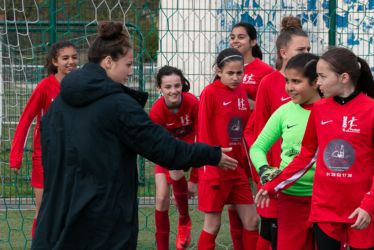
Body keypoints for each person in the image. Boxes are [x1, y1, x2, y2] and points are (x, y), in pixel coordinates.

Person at [31, 21, 238, 250]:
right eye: (128, 64)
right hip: (102, 224)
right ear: (108, 62)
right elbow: (165, 149)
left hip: (56, 221)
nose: (131, 71)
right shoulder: (118, 105)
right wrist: (211, 153)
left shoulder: (58, 105)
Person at [256, 47, 374, 250]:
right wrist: (273, 185)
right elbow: (305, 157)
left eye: (321, 76)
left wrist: (370, 204)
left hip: (360, 208)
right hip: (325, 208)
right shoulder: (320, 109)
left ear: (344, 77)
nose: (317, 82)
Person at [246, 15, 311, 250]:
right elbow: (257, 132)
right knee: (271, 231)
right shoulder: (269, 83)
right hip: (277, 177)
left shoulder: (316, 85)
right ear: (284, 53)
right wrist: (262, 172)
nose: (307, 53)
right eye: (300, 49)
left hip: (308, 178)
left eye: (309, 49)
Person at [250, 53, 320, 250]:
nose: (289, 87)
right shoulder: (284, 111)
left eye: (296, 81)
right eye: (287, 81)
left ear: (315, 82)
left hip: (324, 199)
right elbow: (257, 147)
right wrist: (264, 169)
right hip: (289, 198)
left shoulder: (329, 111)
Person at [9, 41, 78, 238]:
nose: (71, 62)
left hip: (72, 158)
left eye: (74, 57)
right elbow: (25, 119)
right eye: (65, 58)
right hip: (45, 158)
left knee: (70, 211)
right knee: (44, 211)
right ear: (55, 62)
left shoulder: (81, 86)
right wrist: (15, 156)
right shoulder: (45, 86)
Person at [197, 48, 259, 250]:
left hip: (236, 169)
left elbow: (245, 132)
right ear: (218, 71)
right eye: (230, 73)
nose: (235, 77)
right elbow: (203, 131)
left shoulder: (242, 92)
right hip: (215, 168)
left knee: (251, 221)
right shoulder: (210, 93)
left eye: (239, 73)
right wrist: (211, 162)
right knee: (213, 225)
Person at [228, 22, 274, 250]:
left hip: (255, 140)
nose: (235, 41)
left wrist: (246, 103)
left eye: (241, 37)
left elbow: (271, 106)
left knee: (259, 195)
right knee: (235, 197)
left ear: (253, 42)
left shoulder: (265, 71)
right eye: (232, 37)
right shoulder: (225, 67)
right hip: (231, 141)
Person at [149, 66, 199, 250]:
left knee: (177, 169)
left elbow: (202, 136)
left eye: (177, 85)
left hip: (189, 149)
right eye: (168, 87)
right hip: (168, 151)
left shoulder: (193, 103)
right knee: (161, 198)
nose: (173, 91)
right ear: (159, 89)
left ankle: (184, 220)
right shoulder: (156, 111)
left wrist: (195, 179)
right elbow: (162, 147)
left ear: (183, 85)